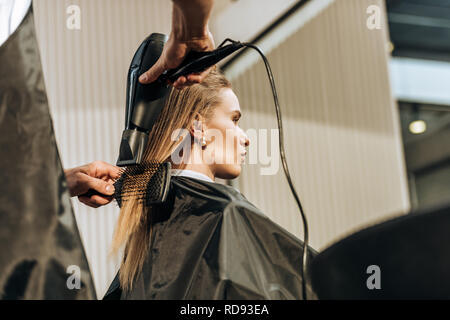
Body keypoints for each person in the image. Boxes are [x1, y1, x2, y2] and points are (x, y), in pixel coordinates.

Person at [104, 70, 316, 300]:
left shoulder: (143, 228)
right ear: (198, 126)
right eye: (234, 119)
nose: (246, 137)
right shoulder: (226, 211)